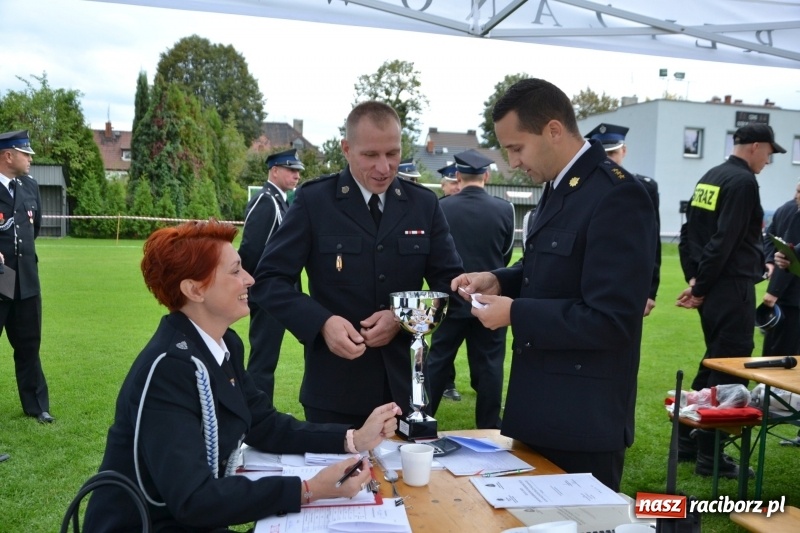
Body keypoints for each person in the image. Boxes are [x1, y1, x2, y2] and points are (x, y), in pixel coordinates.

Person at [84, 220, 401, 531]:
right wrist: (309, 490)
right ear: (194, 289)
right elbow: (193, 500)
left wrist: (352, 438)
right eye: (235, 271)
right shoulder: (170, 369)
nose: (249, 279)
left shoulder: (223, 344)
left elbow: (263, 424)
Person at [450, 78, 657, 491]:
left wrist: (515, 313)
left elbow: (611, 319)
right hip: (539, 409)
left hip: (583, 421)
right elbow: (545, 270)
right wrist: (498, 279)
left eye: (517, 148)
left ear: (554, 130)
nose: (513, 162)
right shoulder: (558, 186)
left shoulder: (617, 195)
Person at [252, 100, 463, 426]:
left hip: (404, 391)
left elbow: (450, 286)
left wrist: (400, 318)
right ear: (347, 149)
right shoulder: (315, 201)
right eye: (370, 155)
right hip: (335, 389)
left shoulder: (423, 205)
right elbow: (269, 280)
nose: (384, 167)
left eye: (392, 153)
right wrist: (322, 323)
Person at [676, 123, 786, 478]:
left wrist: (695, 279)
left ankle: (687, 440)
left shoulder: (711, 176)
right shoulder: (742, 182)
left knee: (714, 362)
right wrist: (701, 286)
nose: (768, 160)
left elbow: (688, 233)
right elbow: (724, 240)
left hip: (714, 286)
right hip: (730, 287)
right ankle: (711, 454)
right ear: (755, 146)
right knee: (730, 368)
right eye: (769, 152)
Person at [426, 149, 515, 429]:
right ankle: (489, 427)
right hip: (490, 301)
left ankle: (423, 417)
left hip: (451, 298)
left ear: (458, 176)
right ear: (486, 175)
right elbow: (506, 254)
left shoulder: (442, 207)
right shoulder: (504, 209)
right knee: (490, 365)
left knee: (438, 361)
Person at [238, 148, 304, 404]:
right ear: (274, 171)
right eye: (291, 170)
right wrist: (253, 287)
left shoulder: (281, 201)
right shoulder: (266, 201)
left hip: (283, 293)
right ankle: (257, 413)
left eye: (298, 171)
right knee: (263, 360)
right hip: (268, 294)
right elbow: (251, 249)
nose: (296, 175)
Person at [0, 130, 52, 424]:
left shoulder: (30, 186)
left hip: (26, 278)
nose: (30, 158)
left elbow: (35, 228)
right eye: (25, 153)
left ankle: (36, 405)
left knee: (29, 344)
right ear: (8, 156)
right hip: (0, 277)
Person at [585, 123, 661, 316]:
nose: (608, 160)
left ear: (624, 151)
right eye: (603, 154)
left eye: (613, 153)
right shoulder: (582, 187)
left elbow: (651, 241)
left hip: (628, 282)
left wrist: (650, 291)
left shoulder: (643, 187)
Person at [761, 181, 800, 356]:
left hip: (785, 293)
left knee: (775, 348)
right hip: (792, 296)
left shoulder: (785, 208)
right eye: (797, 191)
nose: (797, 196)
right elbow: (788, 254)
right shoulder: (793, 211)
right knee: (784, 352)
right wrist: (774, 290)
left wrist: (770, 261)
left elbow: (771, 238)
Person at [436, 162, 462, 402]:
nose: (455, 187)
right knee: (442, 348)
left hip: (471, 287)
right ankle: (447, 383)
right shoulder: (436, 208)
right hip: (447, 286)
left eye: (458, 182)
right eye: (451, 183)